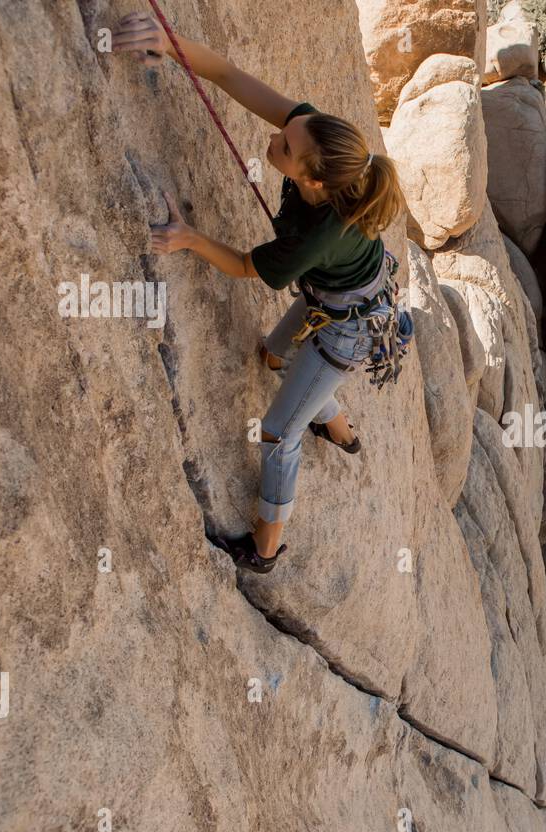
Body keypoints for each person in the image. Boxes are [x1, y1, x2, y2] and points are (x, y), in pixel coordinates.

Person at [116, 13, 409, 573]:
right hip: (338, 297)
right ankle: (341, 431)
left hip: (345, 329)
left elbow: (246, 266)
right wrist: (172, 46)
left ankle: (266, 548)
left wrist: (189, 239)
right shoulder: (326, 147)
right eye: (288, 131)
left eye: (284, 145)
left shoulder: (315, 237)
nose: (276, 136)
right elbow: (228, 73)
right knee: (275, 356)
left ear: (312, 181)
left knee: (277, 431)